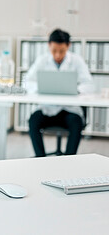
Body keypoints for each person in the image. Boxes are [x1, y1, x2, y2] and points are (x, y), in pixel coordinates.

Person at [25, 29, 94, 157]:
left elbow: (89, 84)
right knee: (33, 121)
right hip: (47, 109)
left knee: (76, 122)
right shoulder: (42, 60)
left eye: (61, 51)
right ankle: (40, 158)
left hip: (69, 111)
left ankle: (68, 160)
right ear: (49, 45)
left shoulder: (77, 61)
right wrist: (40, 88)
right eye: (54, 50)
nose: (57, 55)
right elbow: (28, 81)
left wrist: (76, 89)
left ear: (68, 46)